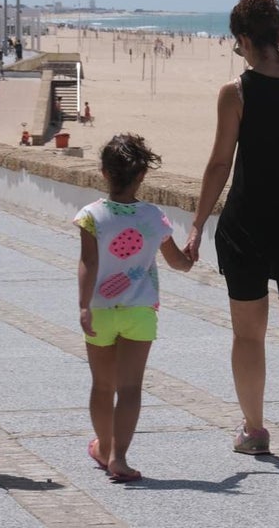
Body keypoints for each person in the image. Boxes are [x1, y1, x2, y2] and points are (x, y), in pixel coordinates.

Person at [184, 0, 279, 467]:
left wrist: (196, 226)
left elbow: (219, 164)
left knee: (248, 335)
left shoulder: (237, 92)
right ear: (278, 34)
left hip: (246, 225)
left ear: (245, 39)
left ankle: (254, 430)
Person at [75, 134, 193, 483]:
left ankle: (103, 447)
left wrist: (83, 306)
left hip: (100, 310)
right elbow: (177, 263)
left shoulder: (90, 216)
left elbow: (87, 262)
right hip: (140, 311)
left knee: (101, 386)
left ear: (103, 172)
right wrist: (190, 257)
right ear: (142, 176)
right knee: (130, 388)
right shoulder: (154, 217)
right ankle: (120, 457)